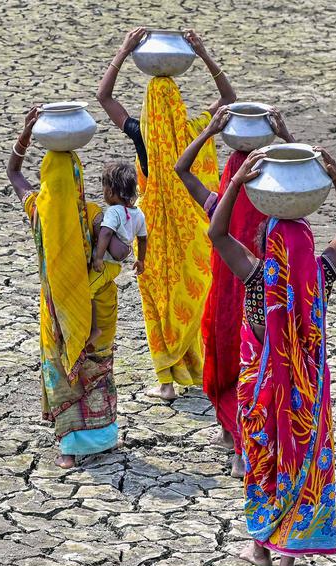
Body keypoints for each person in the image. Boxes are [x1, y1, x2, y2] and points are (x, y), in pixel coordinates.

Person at [207, 147, 336, 566]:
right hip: (304, 399)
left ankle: (259, 546)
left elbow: (217, 234)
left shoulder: (257, 278)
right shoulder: (320, 276)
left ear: (269, 244)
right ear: (309, 245)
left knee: (263, 463)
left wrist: (236, 184)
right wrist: (335, 179)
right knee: (299, 464)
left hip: (260, 395)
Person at [97, 27, 236, 401]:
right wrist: (204, 54)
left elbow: (104, 96)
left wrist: (124, 51)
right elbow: (228, 97)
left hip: (151, 230)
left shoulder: (141, 132)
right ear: (178, 103)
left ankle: (166, 382)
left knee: (158, 298)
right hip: (191, 227)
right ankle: (201, 368)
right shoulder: (195, 130)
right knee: (192, 293)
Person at [176, 106, 295, 478]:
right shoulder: (275, 214)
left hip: (227, 305)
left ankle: (236, 444)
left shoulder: (218, 213)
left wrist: (210, 131)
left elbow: (181, 169)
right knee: (260, 375)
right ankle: (245, 445)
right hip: (265, 305)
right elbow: (305, 183)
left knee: (229, 370)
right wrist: (287, 139)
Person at [7, 106, 119, 469]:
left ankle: (69, 451)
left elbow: (13, 172)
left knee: (62, 371)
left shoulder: (38, 210)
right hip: (93, 306)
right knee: (96, 367)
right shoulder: (92, 213)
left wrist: (25, 135)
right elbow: (120, 252)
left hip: (54, 309)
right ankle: (103, 437)